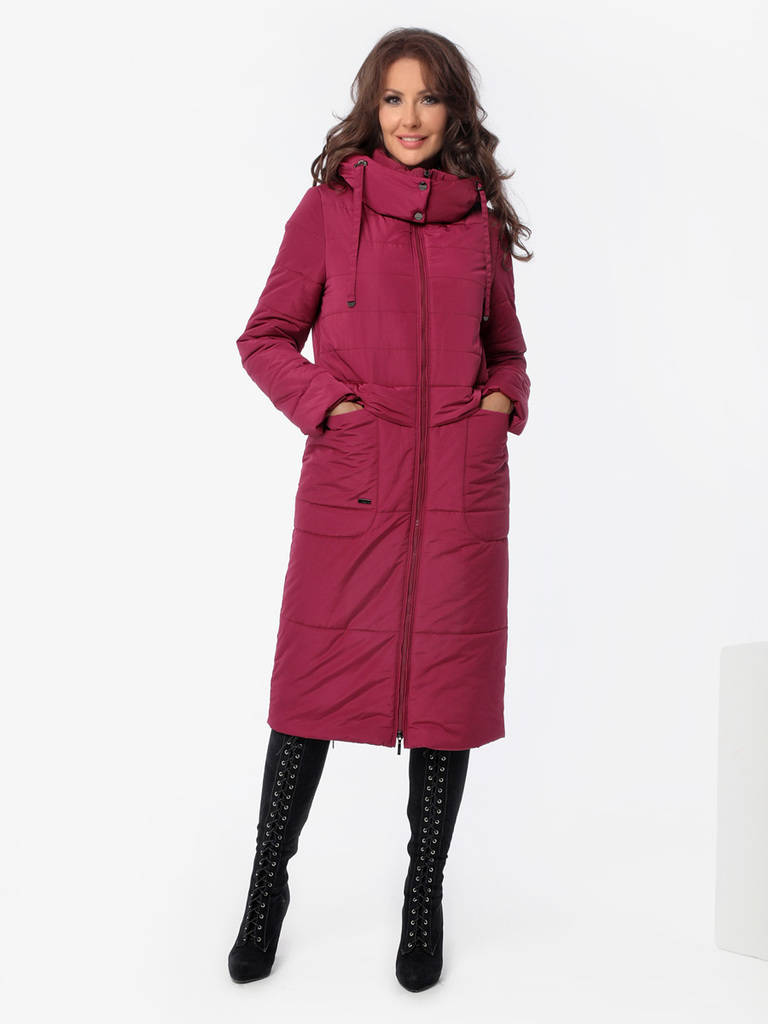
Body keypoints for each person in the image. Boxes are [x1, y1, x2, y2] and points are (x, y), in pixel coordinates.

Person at [228, 26, 532, 992]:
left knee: (445, 699)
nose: (409, 117)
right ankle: (266, 890)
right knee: (308, 694)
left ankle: (423, 896)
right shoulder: (329, 210)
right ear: (371, 106)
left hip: (459, 497)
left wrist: (499, 405)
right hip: (353, 488)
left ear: (454, 112)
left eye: (428, 98)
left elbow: (508, 350)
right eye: (393, 98)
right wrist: (334, 411)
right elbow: (266, 337)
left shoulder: (480, 225)